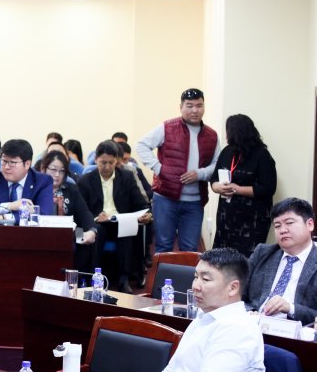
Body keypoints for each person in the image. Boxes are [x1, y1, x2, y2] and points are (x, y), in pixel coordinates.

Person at [125, 248, 265, 372]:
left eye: (205, 279)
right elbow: (172, 370)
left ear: (233, 288)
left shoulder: (239, 329)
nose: (195, 286)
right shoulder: (204, 317)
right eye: (195, 277)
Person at [136, 87, 220, 253]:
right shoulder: (167, 127)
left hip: (195, 202)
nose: (195, 110)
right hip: (165, 198)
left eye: (199, 105)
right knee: (164, 247)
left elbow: (216, 164)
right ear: (181, 107)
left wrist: (200, 174)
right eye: (189, 106)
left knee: (190, 249)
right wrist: (159, 168)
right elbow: (141, 145)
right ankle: (164, 273)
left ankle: (186, 273)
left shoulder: (212, 135)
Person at [76, 141, 151, 294]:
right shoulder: (85, 180)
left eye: (111, 163)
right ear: (96, 160)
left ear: (117, 161)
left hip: (120, 221)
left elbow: (140, 203)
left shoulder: (126, 177)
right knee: (97, 230)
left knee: (126, 230)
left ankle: (124, 279)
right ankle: (95, 277)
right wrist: (96, 218)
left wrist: (147, 214)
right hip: (97, 222)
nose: (107, 167)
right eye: (103, 162)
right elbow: (81, 210)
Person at [209, 114, 278, 256]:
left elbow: (268, 188)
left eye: (228, 130)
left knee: (247, 259)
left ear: (237, 132)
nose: (226, 134)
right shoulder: (227, 151)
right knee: (222, 257)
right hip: (227, 216)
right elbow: (214, 178)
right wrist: (217, 187)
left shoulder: (262, 155)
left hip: (252, 218)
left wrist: (237, 189)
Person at [243, 198, 317, 324]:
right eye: (277, 226)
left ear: (310, 224)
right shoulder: (263, 253)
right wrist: (249, 312)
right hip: (254, 326)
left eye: (289, 223)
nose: (283, 230)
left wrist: (291, 308)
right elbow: (236, 294)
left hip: (298, 333)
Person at [0, 139, 54, 222]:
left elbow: (42, 215)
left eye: (12, 162)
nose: (6, 167)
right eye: (4, 161)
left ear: (27, 164)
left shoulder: (42, 182)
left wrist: (4, 217)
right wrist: (9, 206)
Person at [42, 150, 97, 271]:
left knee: (85, 240)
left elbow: (84, 212)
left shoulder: (71, 188)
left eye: (62, 171)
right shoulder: (37, 188)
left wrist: (92, 230)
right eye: (53, 169)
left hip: (70, 232)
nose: (57, 174)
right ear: (44, 169)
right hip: (43, 232)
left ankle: (78, 279)